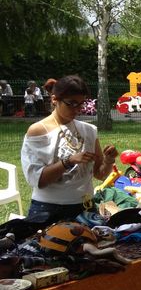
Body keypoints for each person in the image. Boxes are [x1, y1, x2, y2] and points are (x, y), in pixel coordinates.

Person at [20, 75, 118, 223]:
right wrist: (69, 161)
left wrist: (109, 160)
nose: (78, 109)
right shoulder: (38, 131)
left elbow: (100, 174)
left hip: (85, 207)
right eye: (72, 103)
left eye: (81, 104)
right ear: (55, 99)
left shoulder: (89, 130)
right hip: (48, 209)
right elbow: (37, 180)